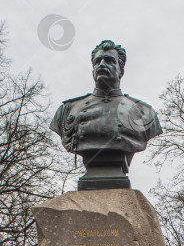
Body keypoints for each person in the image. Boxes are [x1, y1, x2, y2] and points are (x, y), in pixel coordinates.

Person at [50, 40, 162, 189]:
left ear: (121, 70)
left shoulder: (143, 112)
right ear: (93, 69)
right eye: (97, 61)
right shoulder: (68, 109)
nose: (102, 64)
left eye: (109, 60)